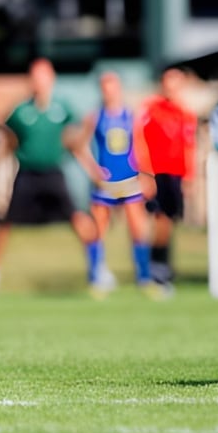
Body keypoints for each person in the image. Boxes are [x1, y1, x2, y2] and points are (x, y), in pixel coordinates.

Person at [0, 57, 92, 293]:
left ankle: (97, 268)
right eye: (35, 76)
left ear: (51, 79)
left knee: (78, 218)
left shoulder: (62, 108)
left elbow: (73, 137)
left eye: (44, 76)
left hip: (53, 172)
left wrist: (85, 139)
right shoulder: (22, 111)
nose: (40, 81)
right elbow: (8, 134)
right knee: (6, 223)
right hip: (27, 173)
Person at [67, 71, 157, 296]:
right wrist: (93, 170)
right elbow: (78, 145)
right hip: (106, 184)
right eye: (105, 87)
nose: (109, 91)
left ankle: (144, 278)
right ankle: (96, 278)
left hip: (129, 180)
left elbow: (141, 146)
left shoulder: (131, 115)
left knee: (138, 229)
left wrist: (147, 175)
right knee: (98, 230)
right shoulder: (95, 117)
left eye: (112, 86)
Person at [135, 65, 198, 291]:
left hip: (176, 175)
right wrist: (146, 174)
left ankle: (162, 267)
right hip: (157, 173)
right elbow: (140, 141)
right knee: (157, 220)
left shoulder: (185, 114)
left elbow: (189, 146)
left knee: (169, 221)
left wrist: (190, 177)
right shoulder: (151, 109)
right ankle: (154, 267)